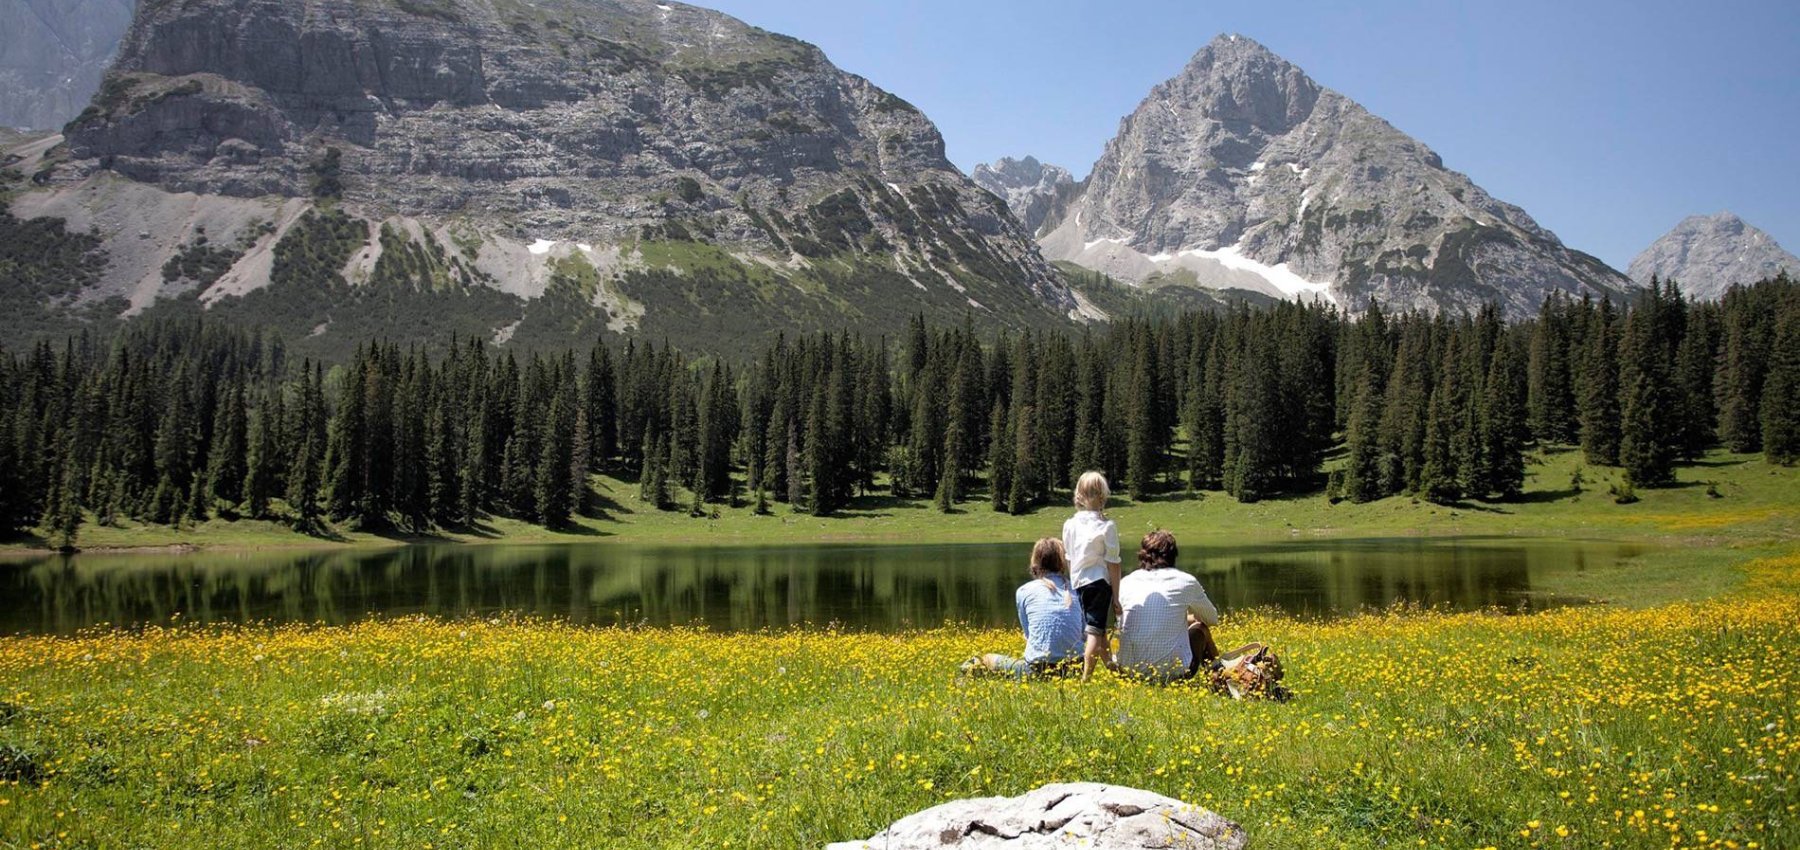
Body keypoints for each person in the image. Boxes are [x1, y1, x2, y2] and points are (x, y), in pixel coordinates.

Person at [961, 538, 1084, 680]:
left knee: (987, 658)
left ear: (1035, 562)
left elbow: (1028, 634)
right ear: (1063, 561)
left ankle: (969, 675)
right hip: (1076, 669)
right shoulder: (1078, 591)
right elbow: (1084, 634)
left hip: (1037, 670)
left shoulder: (1024, 591)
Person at [1115, 530, 1220, 683]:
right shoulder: (1185, 581)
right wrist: (1192, 618)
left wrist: (1184, 619)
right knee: (1201, 628)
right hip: (1172, 674)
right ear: (1172, 554)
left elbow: (1122, 622)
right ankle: (1219, 677)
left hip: (1129, 673)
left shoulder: (1126, 582)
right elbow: (1212, 619)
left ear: (1143, 554)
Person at [1062, 471, 1122, 681]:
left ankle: (1112, 668)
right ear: (1103, 496)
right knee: (1095, 633)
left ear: (1079, 495)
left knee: (1097, 628)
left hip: (1079, 583)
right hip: (1099, 583)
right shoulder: (1107, 526)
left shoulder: (1069, 525)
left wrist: (1071, 586)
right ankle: (1085, 678)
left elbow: (1069, 558)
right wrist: (1116, 597)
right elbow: (1113, 564)